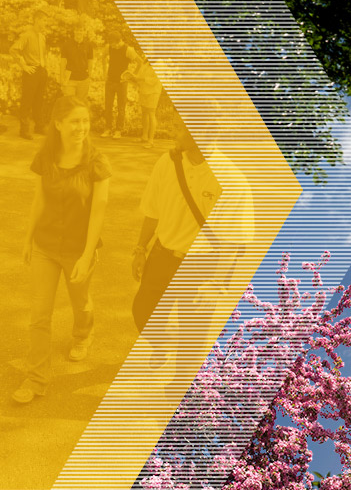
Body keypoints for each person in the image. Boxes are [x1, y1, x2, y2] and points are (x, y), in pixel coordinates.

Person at [16, 97, 111, 404]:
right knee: (39, 316)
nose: (81, 127)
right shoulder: (47, 156)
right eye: (74, 121)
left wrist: (86, 255)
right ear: (58, 124)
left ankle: (83, 334)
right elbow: (39, 199)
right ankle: (36, 379)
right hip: (45, 245)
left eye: (84, 121)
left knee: (80, 303)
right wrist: (28, 238)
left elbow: (99, 211)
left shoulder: (97, 162)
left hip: (77, 249)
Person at [132, 119, 246, 334]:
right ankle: (160, 345)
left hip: (202, 264)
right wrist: (140, 248)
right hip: (162, 255)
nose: (173, 129)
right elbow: (152, 210)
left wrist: (216, 281)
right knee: (143, 313)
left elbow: (234, 239)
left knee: (192, 331)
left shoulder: (230, 178)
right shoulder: (167, 162)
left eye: (181, 125)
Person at [11, 21, 48, 139]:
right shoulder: (27, 35)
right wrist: (24, 66)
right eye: (43, 22)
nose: (44, 25)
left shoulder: (42, 37)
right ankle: (24, 130)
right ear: (37, 20)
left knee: (39, 100)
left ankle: (39, 126)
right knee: (27, 101)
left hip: (41, 71)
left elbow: (42, 54)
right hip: (30, 72)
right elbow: (13, 50)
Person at [132, 44, 161, 148]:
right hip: (144, 90)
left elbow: (154, 80)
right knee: (144, 113)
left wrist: (142, 79)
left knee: (151, 113)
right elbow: (140, 75)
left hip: (153, 92)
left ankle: (151, 140)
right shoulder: (146, 61)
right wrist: (133, 77)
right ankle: (144, 136)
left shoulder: (159, 63)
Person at [102, 30, 130, 138]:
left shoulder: (128, 49)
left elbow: (139, 62)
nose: (112, 46)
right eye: (111, 44)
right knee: (108, 106)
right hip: (110, 81)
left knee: (121, 107)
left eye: (113, 44)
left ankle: (119, 130)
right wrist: (105, 72)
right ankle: (108, 129)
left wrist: (131, 75)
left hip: (122, 83)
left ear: (119, 41)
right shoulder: (109, 47)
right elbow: (103, 57)